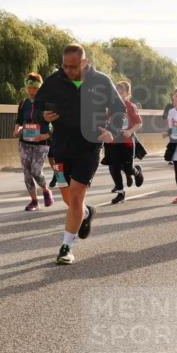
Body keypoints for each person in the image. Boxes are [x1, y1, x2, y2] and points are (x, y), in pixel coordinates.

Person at [36, 44, 123, 264]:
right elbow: (36, 107)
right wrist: (42, 117)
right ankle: (85, 213)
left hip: (89, 146)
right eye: (64, 66)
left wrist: (111, 131)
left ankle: (66, 246)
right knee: (67, 197)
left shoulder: (101, 81)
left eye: (73, 66)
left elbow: (119, 109)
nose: (68, 70)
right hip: (60, 149)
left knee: (75, 195)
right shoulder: (54, 80)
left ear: (83, 62)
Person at [13, 73, 53, 211]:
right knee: (27, 173)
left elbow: (56, 123)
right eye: (29, 87)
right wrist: (17, 129)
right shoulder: (23, 103)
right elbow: (19, 120)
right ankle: (34, 201)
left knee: (36, 171)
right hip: (25, 141)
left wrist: (45, 135)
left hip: (41, 143)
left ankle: (45, 189)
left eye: (35, 88)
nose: (32, 91)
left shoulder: (47, 103)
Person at [104, 79, 144, 205]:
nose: (118, 94)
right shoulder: (110, 106)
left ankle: (136, 171)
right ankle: (121, 193)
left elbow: (139, 122)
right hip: (113, 141)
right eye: (116, 92)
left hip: (126, 141)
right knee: (114, 167)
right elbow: (105, 121)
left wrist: (130, 131)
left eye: (121, 92)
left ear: (127, 94)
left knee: (128, 169)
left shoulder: (130, 106)